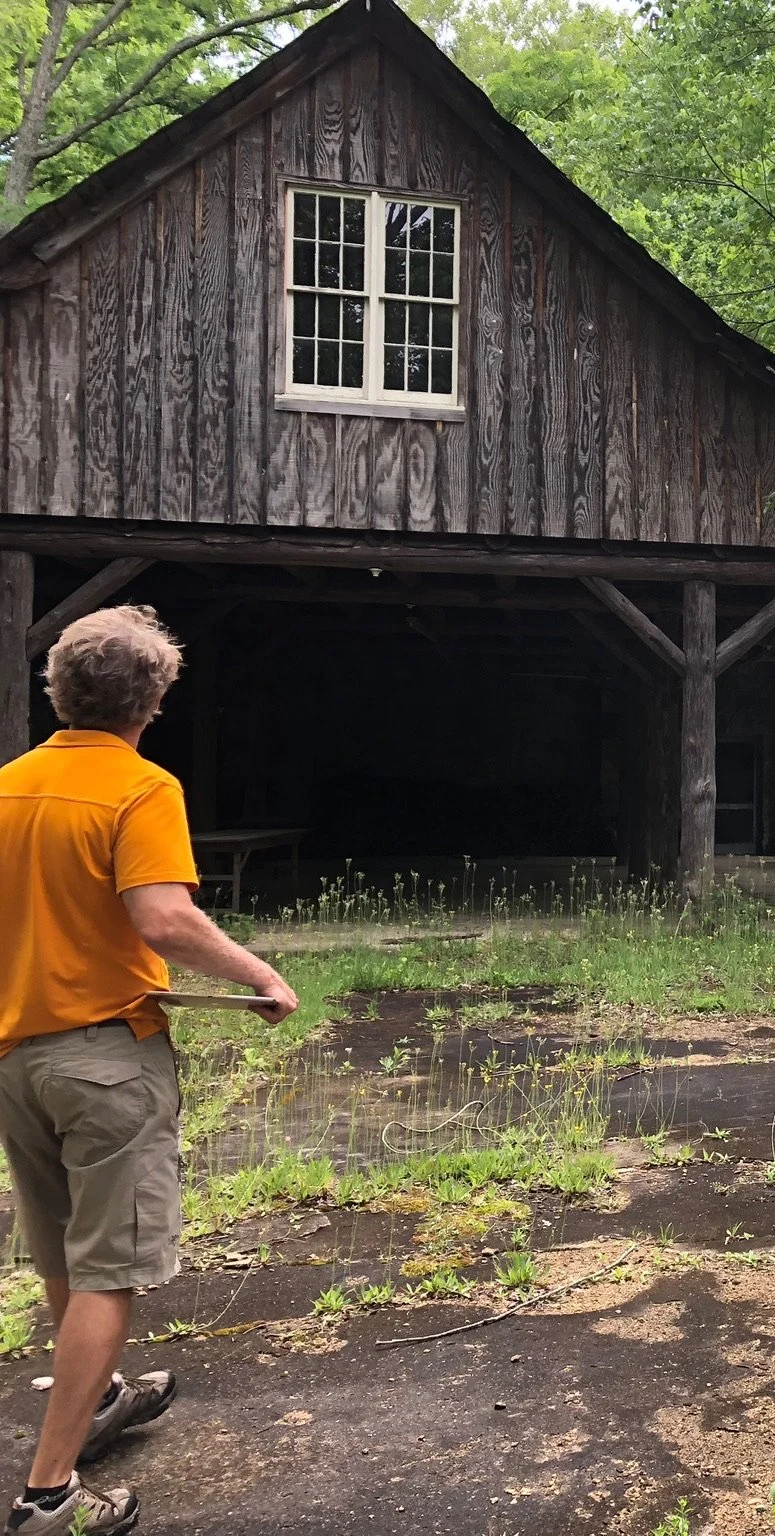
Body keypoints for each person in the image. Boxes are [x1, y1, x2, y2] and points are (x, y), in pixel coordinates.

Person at [0, 606, 298, 1535]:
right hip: (104, 1061)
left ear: (58, 688)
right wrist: (259, 976)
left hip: (16, 1057)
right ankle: (50, 1495)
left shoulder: (8, 787)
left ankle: (95, 1402)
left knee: (63, 1250)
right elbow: (162, 918)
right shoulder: (140, 787)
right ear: (154, 699)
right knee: (110, 1269)